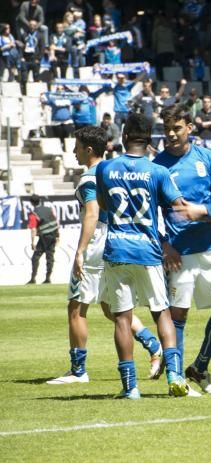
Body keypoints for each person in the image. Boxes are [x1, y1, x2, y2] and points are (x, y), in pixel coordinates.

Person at [46, 126, 164, 385]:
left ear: (89, 149)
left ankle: (78, 371)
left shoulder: (91, 177)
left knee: (76, 307)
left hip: (97, 242)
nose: (73, 152)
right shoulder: (115, 171)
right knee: (113, 308)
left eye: (76, 147)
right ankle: (155, 346)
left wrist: (80, 250)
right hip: (118, 239)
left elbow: (91, 212)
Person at [95, 113, 193, 398]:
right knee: (161, 311)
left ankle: (130, 388)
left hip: (117, 249)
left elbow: (103, 203)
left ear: (123, 137)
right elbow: (179, 205)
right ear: (150, 142)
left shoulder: (105, 168)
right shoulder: (158, 172)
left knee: (123, 318)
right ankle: (174, 375)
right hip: (148, 251)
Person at [154, 104, 211, 395]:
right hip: (178, 253)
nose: (172, 134)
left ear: (190, 127)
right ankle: (176, 380)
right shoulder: (158, 165)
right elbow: (150, 215)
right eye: (167, 129)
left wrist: (199, 211)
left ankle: (199, 367)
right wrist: (165, 245)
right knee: (178, 315)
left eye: (177, 128)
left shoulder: (208, 158)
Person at [27, 195, 59, 285]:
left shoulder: (34, 213)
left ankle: (33, 278)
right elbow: (56, 222)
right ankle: (48, 278)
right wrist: (58, 236)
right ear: (40, 201)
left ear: (32, 203)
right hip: (53, 236)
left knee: (35, 257)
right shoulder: (49, 209)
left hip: (44, 237)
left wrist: (32, 242)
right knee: (50, 257)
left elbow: (33, 229)